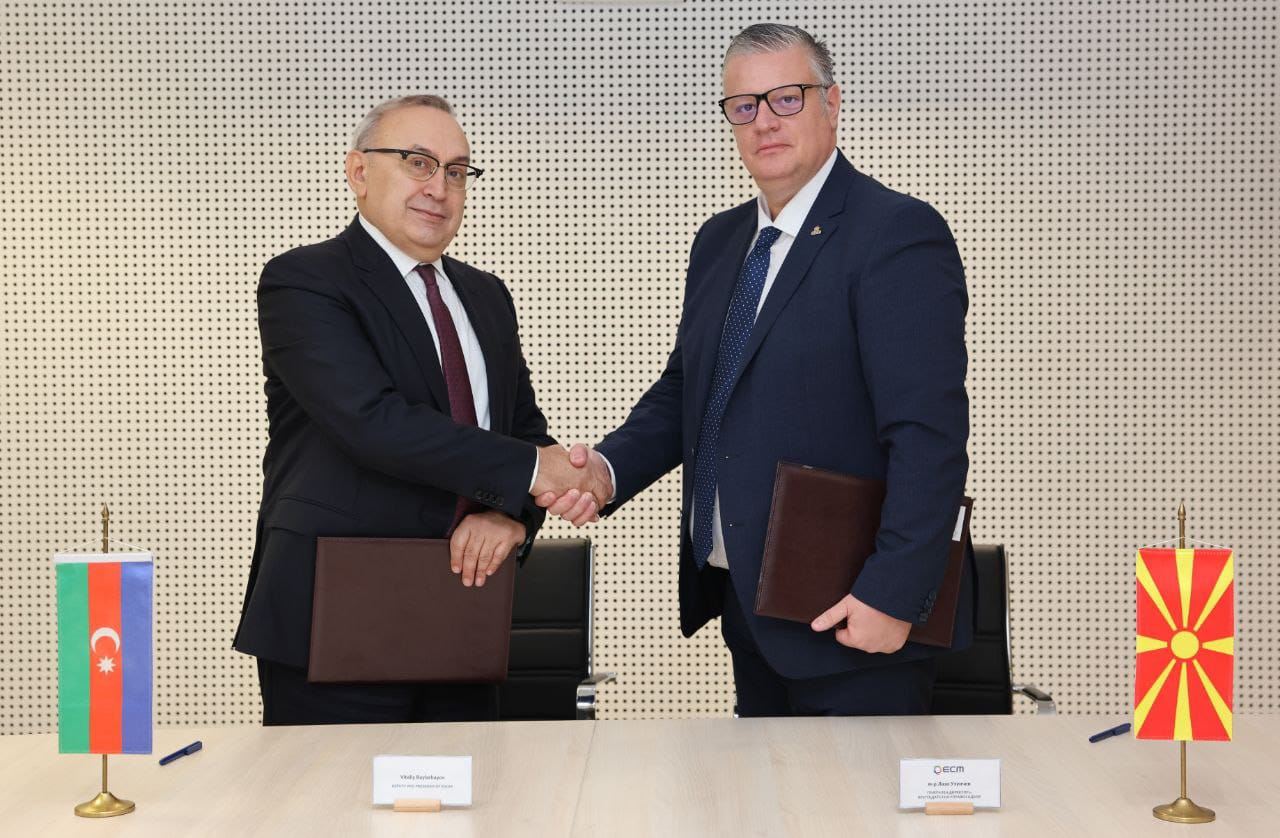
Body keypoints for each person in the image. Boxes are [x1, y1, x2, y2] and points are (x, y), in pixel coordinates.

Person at [540, 24, 973, 716]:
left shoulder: (895, 233)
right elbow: (690, 391)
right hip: (752, 607)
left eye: (786, 98)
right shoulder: (720, 241)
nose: (764, 121)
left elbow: (929, 434)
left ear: (832, 103)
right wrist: (606, 471)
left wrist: (892, 593)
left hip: (856, 618)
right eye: (743, 106)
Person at [233, 95, 603, 725]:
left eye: (456, 171)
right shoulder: (305, 281)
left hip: (462, 617)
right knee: (332, 792)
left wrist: (510, 514)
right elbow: (372, 424)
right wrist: (531, 473)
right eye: (417, 162)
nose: (440, 187)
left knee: (470, 788)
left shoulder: (486, 296)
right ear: (358, 172)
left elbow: (523, 431)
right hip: (336, 621)